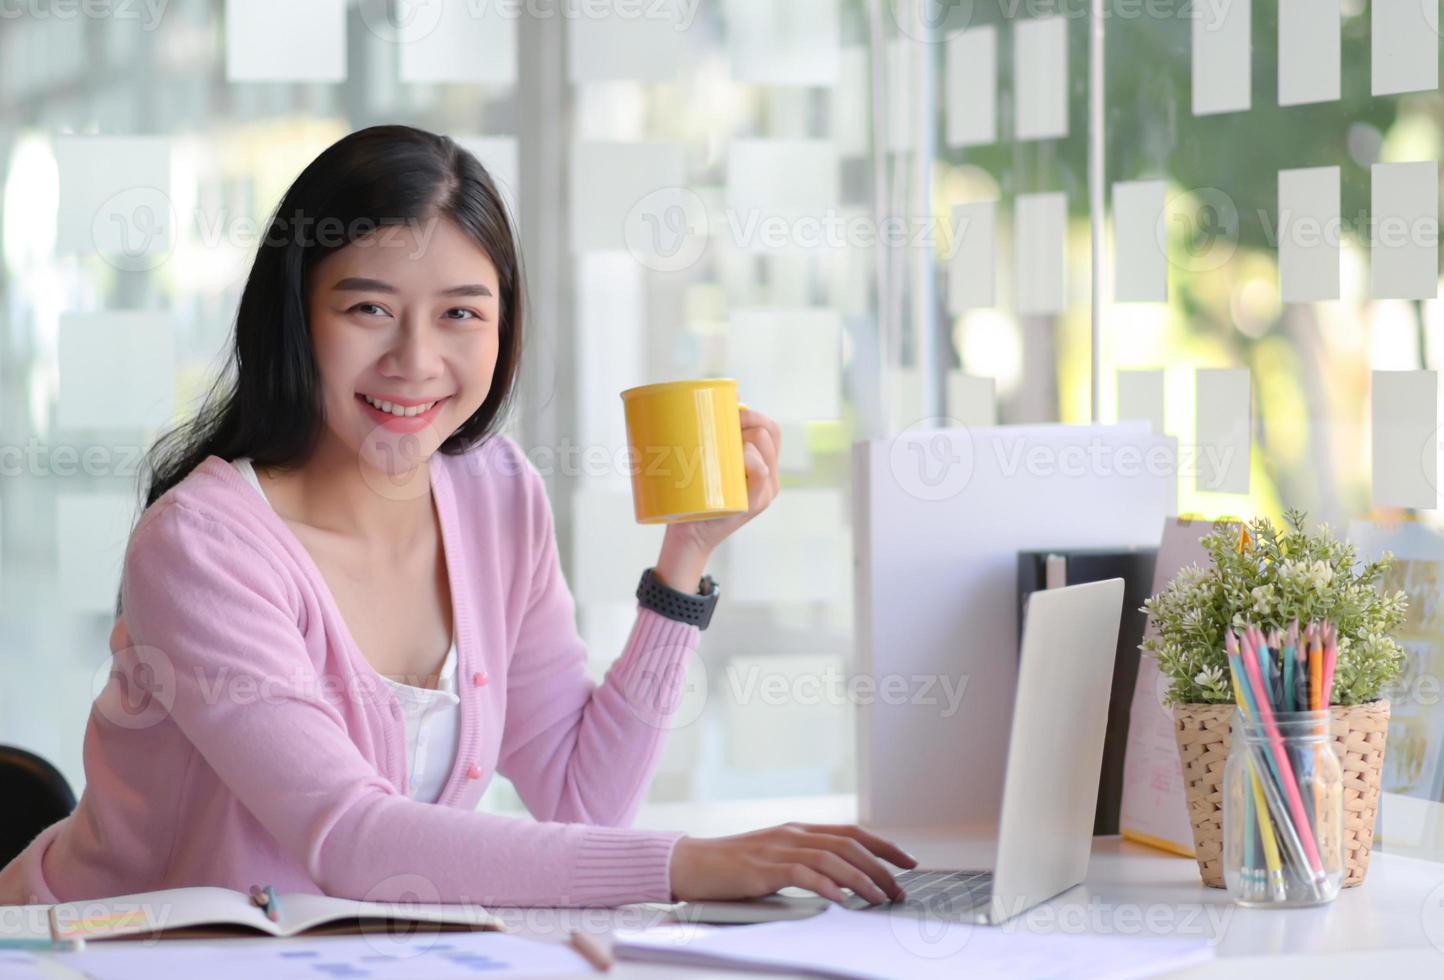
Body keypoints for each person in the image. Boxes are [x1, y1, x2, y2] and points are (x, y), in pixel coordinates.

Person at [0, 125, 914, 908]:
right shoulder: (200, 548)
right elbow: (350, 838)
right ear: (295, 317)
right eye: (368, 308)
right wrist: (684, 866)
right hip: (103, 955)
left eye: (460, 315)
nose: (416, 360)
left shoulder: (495, 493)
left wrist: (685, 559)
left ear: (503, 327)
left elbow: (581, 799)